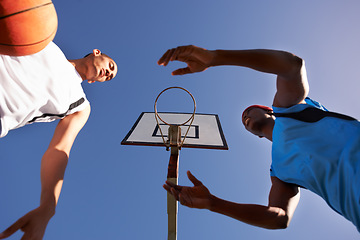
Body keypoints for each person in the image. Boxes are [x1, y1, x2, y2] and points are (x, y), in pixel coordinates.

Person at [159, 45, 360, 232]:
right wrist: (214, 203)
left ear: (269, 110)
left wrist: (215, 58)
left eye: (249, 111)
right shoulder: (279, 171)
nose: (245, 117)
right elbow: (280, 218)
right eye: (243, 119)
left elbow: (292, 66)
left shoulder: (289, 110)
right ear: (256, 136)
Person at [0, 41, 117, 240]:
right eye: (111, 67)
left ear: (93, 82)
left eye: (110, 77)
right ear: (97, 52)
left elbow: (59, 150)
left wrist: (47, 208)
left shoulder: (80, 105)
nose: (109, 73)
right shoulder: (44, 41)